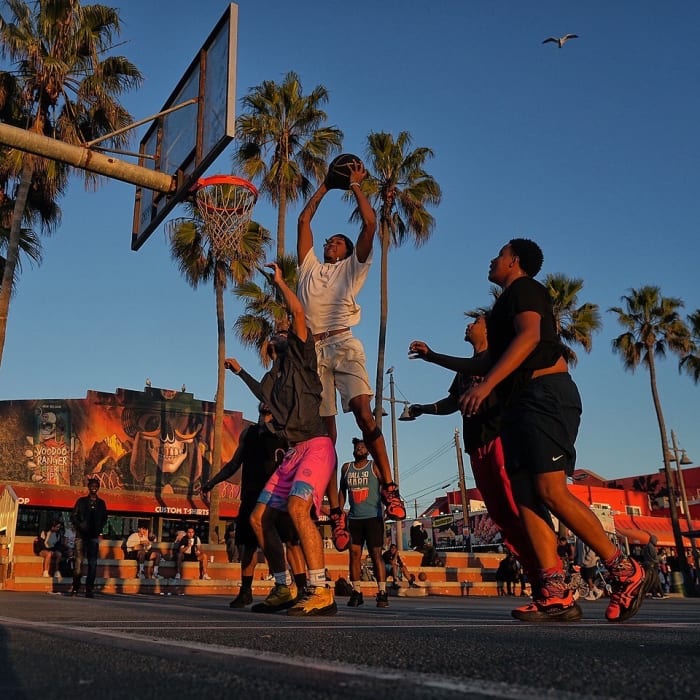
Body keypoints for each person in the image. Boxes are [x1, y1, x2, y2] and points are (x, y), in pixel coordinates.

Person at [410, 238, 647, 623]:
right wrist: (433, 356)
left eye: (499, 254)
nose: (493, 258)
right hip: (520, 405)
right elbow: (485, 360)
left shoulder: (525, 289)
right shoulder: (503, 307)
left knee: (550, 491)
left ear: (514, 261)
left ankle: (624, 570)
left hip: (546, 394)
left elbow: (531, 337)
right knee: (526, 498)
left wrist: (486, 386)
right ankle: (556, 592)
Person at [296, 159, 406, 533]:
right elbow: (303, 222)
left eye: (338, 241)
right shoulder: (309, 267)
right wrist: (326, 185)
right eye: (330, 240)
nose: (331, 242)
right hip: (314, 353)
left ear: (346, 250)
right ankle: (335, 508)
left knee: (362, 410)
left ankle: (389, 487)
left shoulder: (354, 267)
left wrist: (355, 185)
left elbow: (370, 224)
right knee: (326, 435)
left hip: (343, 342)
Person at [231, 262, 337, 616]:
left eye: (283, 329)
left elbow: (297, 310)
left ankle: (322, 591)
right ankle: (282, 586)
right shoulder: (271, 382)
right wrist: (239, 371)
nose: (278, 330)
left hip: (317, 447)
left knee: (296, 510)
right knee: (258, 518)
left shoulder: (303, 360)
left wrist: (278, 281)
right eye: (275, 332)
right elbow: (258, 392)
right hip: (294, 454)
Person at [407, 313, 540, 586]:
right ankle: (532, 570)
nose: (469, 325)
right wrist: (425, 409)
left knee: (514, 504)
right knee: (499, 513)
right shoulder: (464, 369)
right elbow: (451, 403)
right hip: (475, 444)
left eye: (476, 322)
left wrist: (432, 355)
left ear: (489, 329)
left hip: (499, 438)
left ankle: (547, 565)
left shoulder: (501, 357)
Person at [201, 402, 307, 610]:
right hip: (251, 496)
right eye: (263, 401)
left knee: (291, 542)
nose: (266, 404)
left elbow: (299, 463)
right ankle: (245, 592)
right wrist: (212, 482)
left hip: (279, 495)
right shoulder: (248, 433)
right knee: (248, 546)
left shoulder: (285, 432)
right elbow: (233, 464)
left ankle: (302, 589)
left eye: (270, 401)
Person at [338, 437, 390, 608]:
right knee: (354, 555)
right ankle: (356, 591)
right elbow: (342, 492)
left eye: (362, 446)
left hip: (373, 518)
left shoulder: (374, 466)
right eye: (357, 447)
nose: (359, 449)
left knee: (376, 556)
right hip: (354, 519)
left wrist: (390, 504)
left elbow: (387, 488)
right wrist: (339, 514)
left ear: (368, 450)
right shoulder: (346, 468)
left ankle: (382, 592)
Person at [70, 477, 108, 598]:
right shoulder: (81, 501)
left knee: (93, 564)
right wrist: (80, 525)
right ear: (88, 487)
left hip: (93, 537)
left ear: (98, 488)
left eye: (95, 486)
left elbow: (104, 518)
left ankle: (89, 590)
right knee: (78, 564)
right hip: (81, 536)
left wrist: (99, 529)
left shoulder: (101, 504)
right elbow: (73, 516)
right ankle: (75, 588)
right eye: (91, 485)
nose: (93, 488)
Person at [642, 535, 665, 599]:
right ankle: (660, 593)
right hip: (653, 565)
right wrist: (661, 556)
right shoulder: (651, 547)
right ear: (653, 540)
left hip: (648, 564)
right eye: (656, 540)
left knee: (652, 580)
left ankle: (656, 593)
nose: (656, 542)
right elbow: (654, 558)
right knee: (656, 580)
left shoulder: (647, 547)